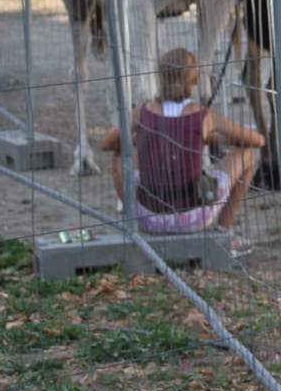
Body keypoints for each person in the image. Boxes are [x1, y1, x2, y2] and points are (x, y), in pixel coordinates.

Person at [100, 47, 265, 256]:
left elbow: (106, 143)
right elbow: (258, 140)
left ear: (161, 78)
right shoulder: (204, 115)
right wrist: (210, 134)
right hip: (192, 217)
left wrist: (141, 138)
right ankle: (225, 232)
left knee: (119, 151)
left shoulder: (143, 112)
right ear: (195, 82)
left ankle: (132, 221)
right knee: (246, 154)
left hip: (148, 218)